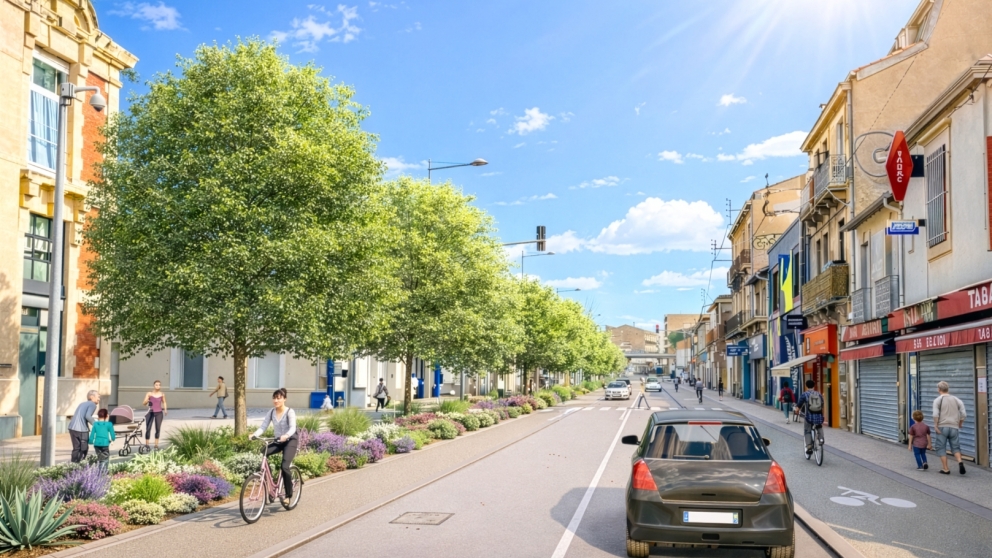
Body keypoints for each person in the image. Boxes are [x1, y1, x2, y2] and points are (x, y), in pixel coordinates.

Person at [250, 388, 297, 506]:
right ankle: (270, 486)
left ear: (284, 399)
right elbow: (263, 426)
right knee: (263, 452)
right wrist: (254, 435)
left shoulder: (290, 412)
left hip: (290, 440)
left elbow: (293, 428)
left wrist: (286, 436)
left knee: (284, 466)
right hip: (278, 441)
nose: (276, 400)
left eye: (279, 398)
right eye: (274, 398)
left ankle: (288, 495)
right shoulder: (271, 412)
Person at [932, 381, 967, 475]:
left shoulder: (938, 400)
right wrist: (960, 423)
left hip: (942, 427)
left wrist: (936, 425)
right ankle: (960, 461)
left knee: (941, 447)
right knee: (955, 447)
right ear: (948, 389)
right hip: (954, 427)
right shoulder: (956, 399)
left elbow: (935, 414)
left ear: (939, 389)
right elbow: (963, 414)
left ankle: (946, 468)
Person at [68, 390, 99, 463]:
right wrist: (97, 425)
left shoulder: (82, 404)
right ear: (92, 397)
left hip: (72, 428)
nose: (99, 399)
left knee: (76, 448)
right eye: (98, 397)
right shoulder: (92, 404)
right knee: (83, 449)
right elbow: (87, 416)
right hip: (81, 430)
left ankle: (73, 465)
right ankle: (80, 465)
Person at [795, 379, 825, 456]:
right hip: (818, 416)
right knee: (819, 426)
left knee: (807, 430)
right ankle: (821, 439)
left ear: (806, 386)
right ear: (814, 386)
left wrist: (797, 410)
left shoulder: (805, 394)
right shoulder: (819, 394)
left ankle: (809, 447)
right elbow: (822, 404)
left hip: (809, 416)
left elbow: (799, 404)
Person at [142, 380, 167, 451]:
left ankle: (156, 445)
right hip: (150, 412)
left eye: (159, 385)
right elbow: (143, 403)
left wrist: (165, 409)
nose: (158, 386)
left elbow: (164, 402)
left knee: (158, 429)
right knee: (148, 428)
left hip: (159, 413)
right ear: (154, 385)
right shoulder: (149, 393)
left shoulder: (162, 394)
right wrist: (147, 400)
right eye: (156, 385)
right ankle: (147, 445)